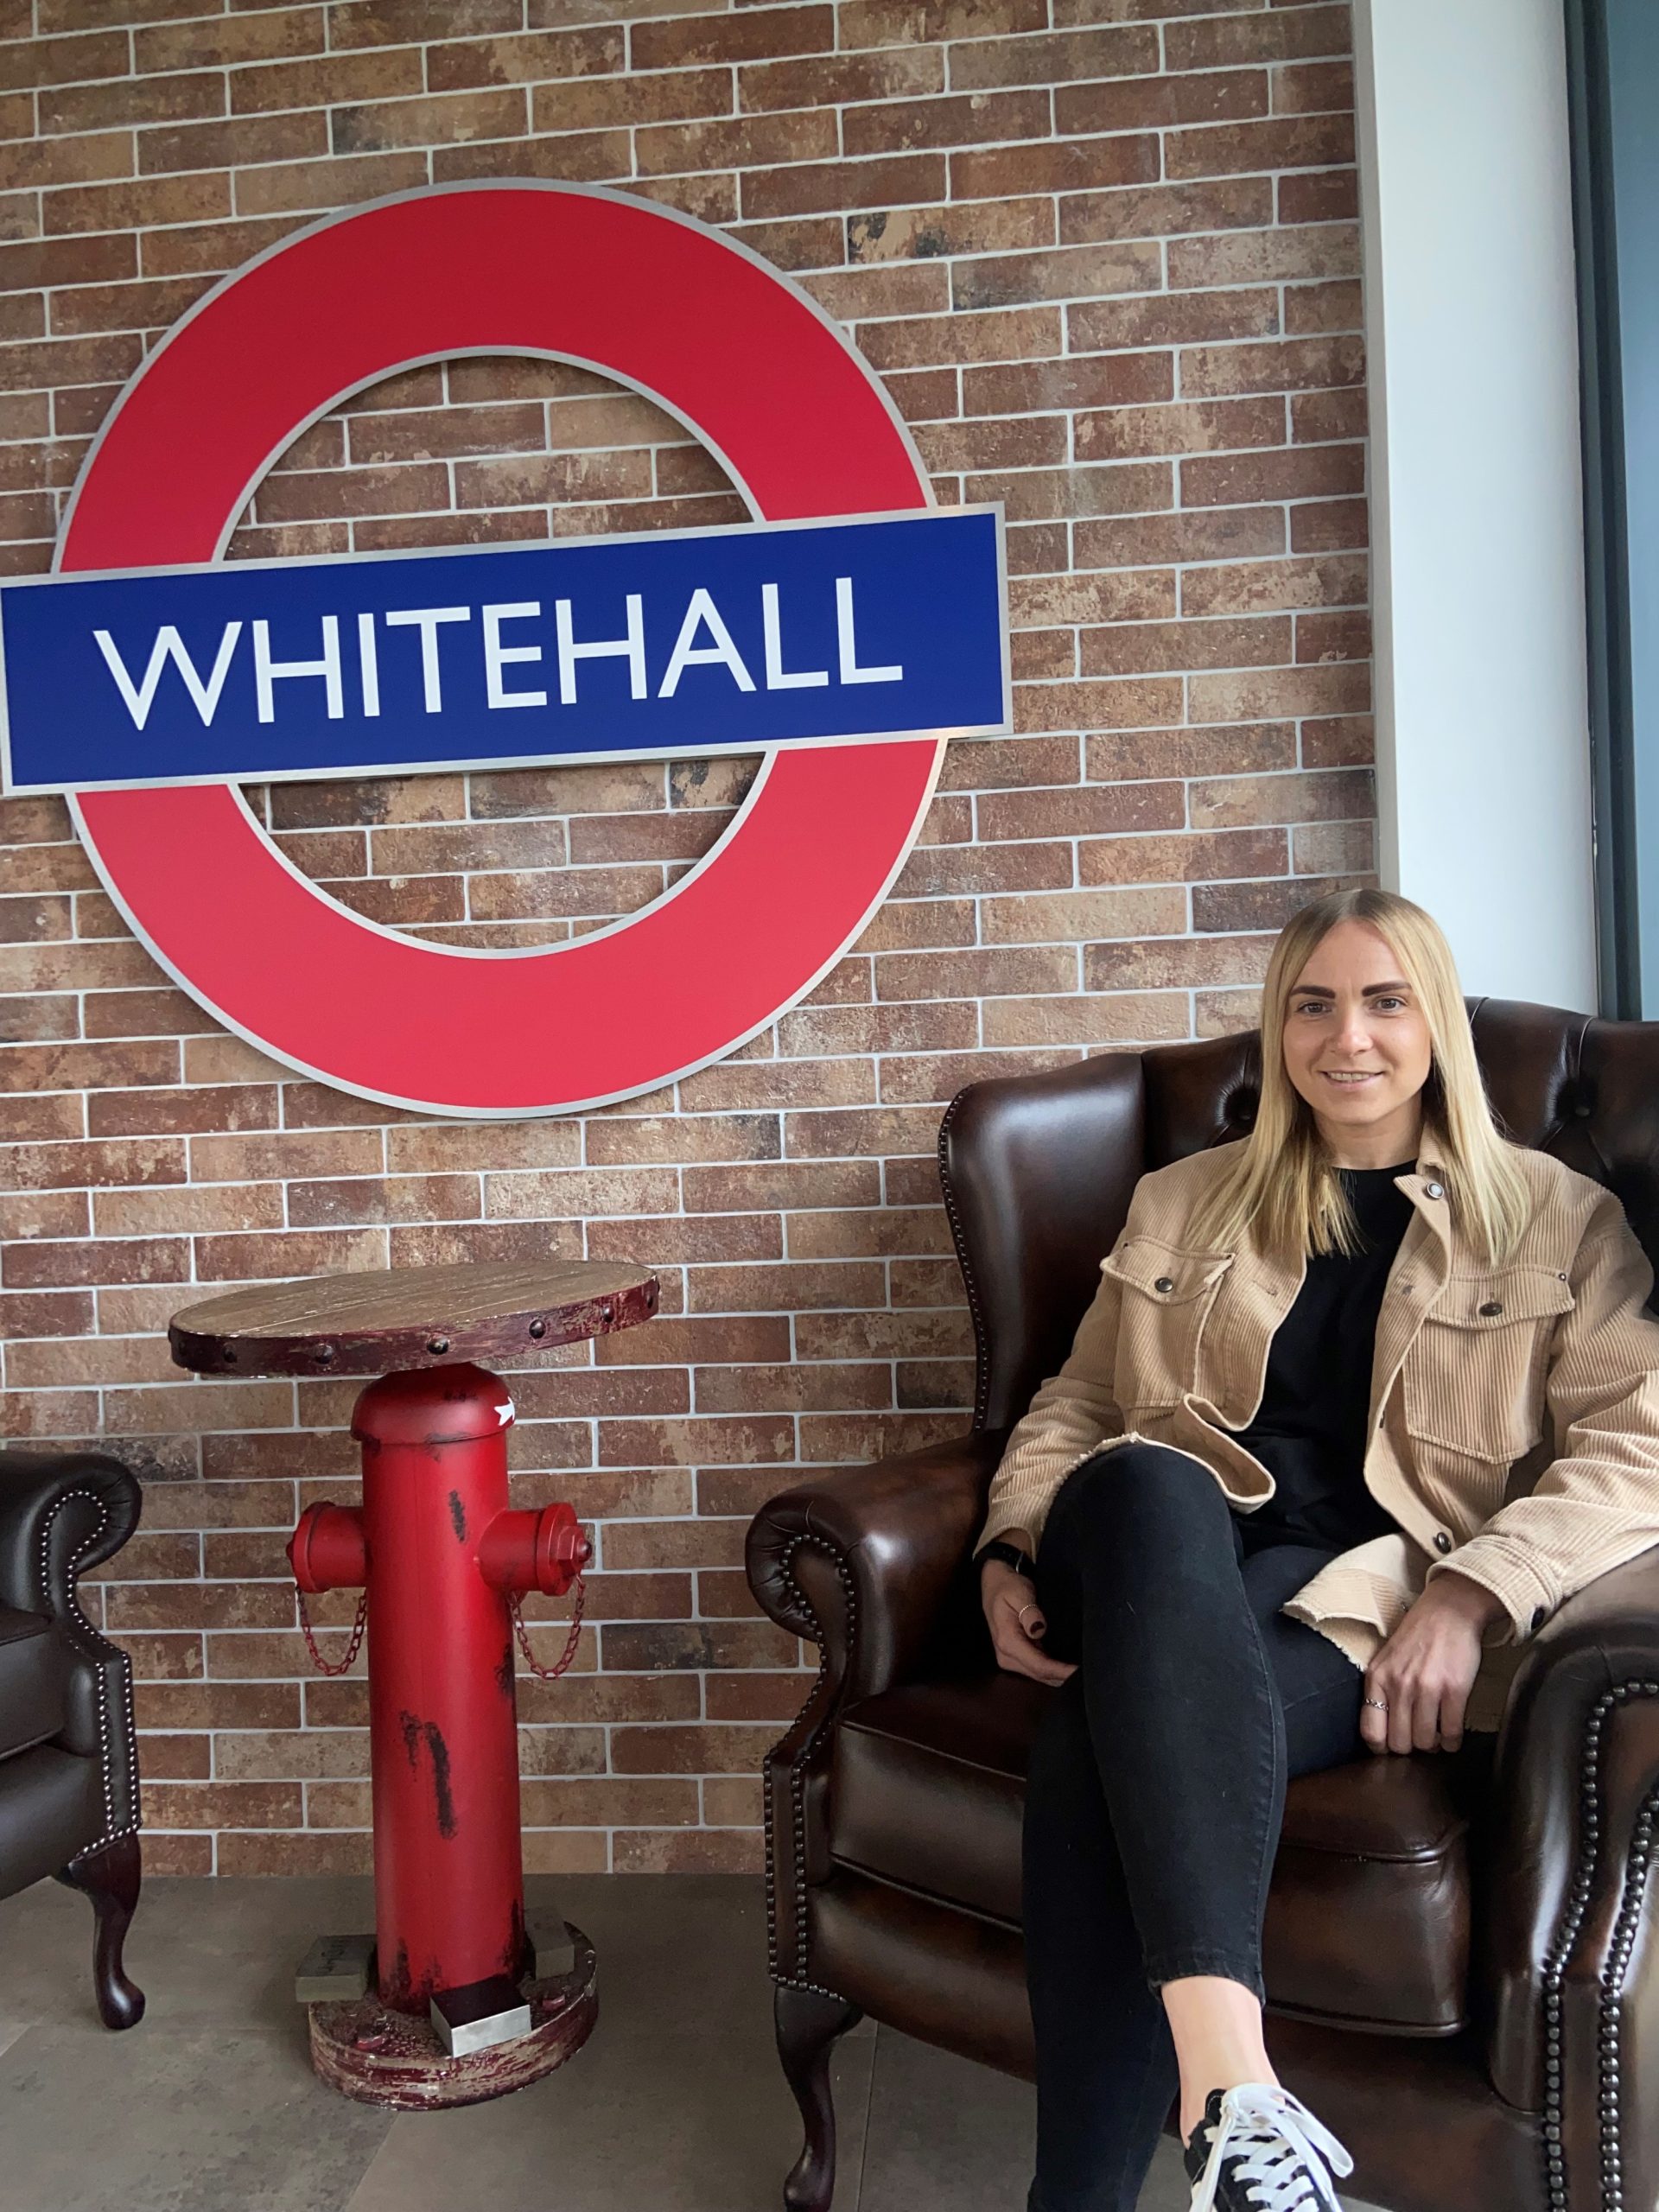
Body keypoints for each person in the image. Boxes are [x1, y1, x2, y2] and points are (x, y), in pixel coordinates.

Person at [973, 887, 1659, 2212]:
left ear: (1437, 1020)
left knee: (1102, 1750)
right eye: (1314, 1003)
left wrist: (1471, 1593)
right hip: (1134, 1545)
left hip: (1351, 1600)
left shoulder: (1556, 1220)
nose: (1350, 1036)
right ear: (1280, 1029)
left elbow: (1640, 1444)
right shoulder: (1185, 1200)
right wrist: (1007, 1548)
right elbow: (1075, 1405)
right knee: (1153, 1483)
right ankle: (1233, 2089)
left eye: (1386, 999)